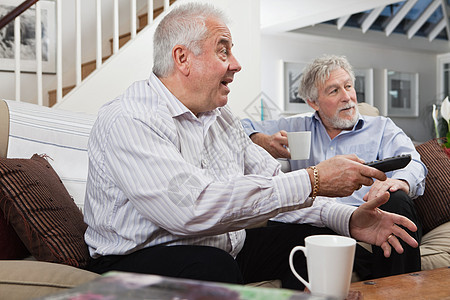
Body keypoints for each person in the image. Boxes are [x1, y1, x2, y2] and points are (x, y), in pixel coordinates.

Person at [83, 3, 418, 290]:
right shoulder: (130, 118)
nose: (236, 64)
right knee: (211, 267)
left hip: (220, 248)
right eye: (223, 50)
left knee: (308, 241)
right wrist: (314, 179)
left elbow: (274, 179)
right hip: (132, 260)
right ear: (182, 58)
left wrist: (348, 220)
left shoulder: (221, 118)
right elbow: (191, 210)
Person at [241, 54, 427, 279]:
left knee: (397, 198)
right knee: (294, 236)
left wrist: (400, 181)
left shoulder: (381, 128)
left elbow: (413, 161)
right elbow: (239, 127)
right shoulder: (297, 126)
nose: (347, 97)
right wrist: (262, 140)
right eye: (334, 91)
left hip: (366, 218)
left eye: (348, 86)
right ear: (313, 103)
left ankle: (401, 289)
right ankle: (357, 263)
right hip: (315, 221)